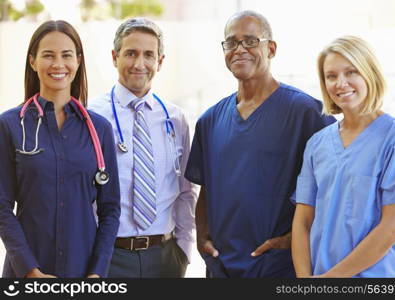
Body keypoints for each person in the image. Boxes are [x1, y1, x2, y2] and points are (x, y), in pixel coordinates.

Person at [184, 10, 335, 278]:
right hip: (222, 267)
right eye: (231, 43)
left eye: (251, 41)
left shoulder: (306, 113)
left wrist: (293, 238)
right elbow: (206, 189)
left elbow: (332, 188)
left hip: (278, 266)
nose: (240, 49)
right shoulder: (209, 121)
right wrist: (202, 238)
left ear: (271, 48)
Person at [0, 20, 120, 278]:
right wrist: (30, 271)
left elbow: (110, 209)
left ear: (77, 61)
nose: (58, 64)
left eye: (66, 55)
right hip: (26, 273)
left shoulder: (99, 129)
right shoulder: (9, 125)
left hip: (84, 272)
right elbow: (1, 207)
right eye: (48, 55)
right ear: (32, 61)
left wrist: (97, 272)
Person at [291, 35, 395, 277]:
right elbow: (303, 222)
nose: (341, 83)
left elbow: (392, 227)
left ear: (369, 74)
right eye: (331, 76)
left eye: (351, 72)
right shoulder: (317, 144)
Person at [89, 17, 197, 278]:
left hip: (165, 257)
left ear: (160, 61)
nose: (140, 64)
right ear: (115, 57)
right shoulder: (91, 116)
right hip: (109, 257)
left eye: (149, 55)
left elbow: (186, 190)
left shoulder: (175, 118)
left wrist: (183, 249)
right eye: (131, 53)